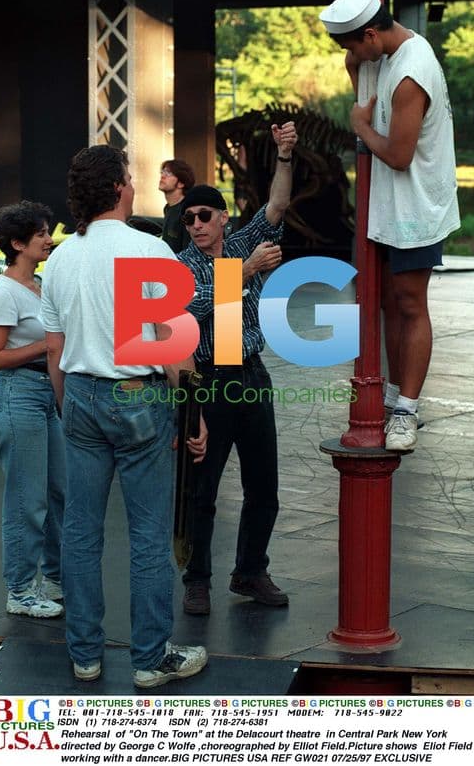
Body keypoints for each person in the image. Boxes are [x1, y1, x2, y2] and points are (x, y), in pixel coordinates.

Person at [41, 144, 208, 687]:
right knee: (149, 535)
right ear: (117, 188)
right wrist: (194, 417)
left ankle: (85, 655)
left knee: (80, 532)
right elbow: (173, 346)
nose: (136, 186)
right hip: (139, 396)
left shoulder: (60, 257)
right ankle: (149, 659)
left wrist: (69, 406)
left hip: (79, 394)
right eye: (131, 178)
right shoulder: (150, 250)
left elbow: (54, 349)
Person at [320, 0, 460, 452]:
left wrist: (360, 127)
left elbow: (399, 155)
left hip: (417, 204)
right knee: (385, 301)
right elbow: (362, 79)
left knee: (410, 302)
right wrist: (355, 65)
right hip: (388, 203)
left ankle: (407, 409)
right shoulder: (384, 55)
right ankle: (396, 394)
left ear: (371, 35)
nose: (352, 57)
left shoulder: (410, 73)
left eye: (353, 46)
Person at [178, 121, 298, 615]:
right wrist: (244, 273)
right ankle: (197, 579)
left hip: (250, 371)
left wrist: (284, 155)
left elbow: (277, 207)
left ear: (223, 217)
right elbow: (188, 313)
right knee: (202, 490)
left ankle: (250, 571)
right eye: (188, 218)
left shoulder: (242, 242)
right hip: (209, 379)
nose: (196, 224)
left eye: (204, 215)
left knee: (263, 486)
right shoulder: (183, 265)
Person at [0, 201, 65, 618]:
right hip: (16, 395)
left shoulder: (39, 284)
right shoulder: (5, 292)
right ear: (17, 244)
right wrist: (44, 345)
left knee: (59, 492)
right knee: (26, 500)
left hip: (43, 394)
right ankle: (19, 590)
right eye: (41, 234)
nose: (49, 239)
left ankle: (54, 577)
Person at [159, 158, 195, 253]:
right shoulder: (168, 208)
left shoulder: (187, 212)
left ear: (181, 183)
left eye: (168, 173)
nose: (162, 176)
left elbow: (188, 252)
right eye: (162, 172)